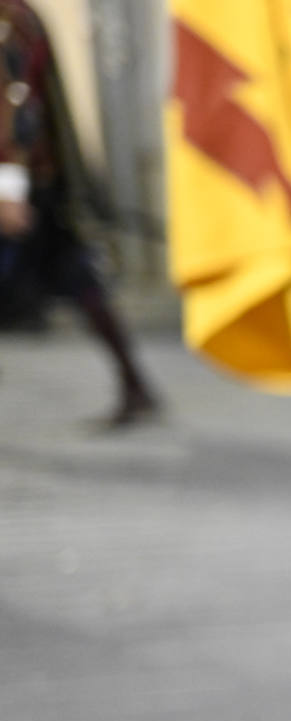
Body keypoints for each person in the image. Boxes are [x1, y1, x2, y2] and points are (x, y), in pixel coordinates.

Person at [0, 0, 159, 425]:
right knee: (76, 277)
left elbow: (18, 103)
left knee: (74, 275)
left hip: (26, 188)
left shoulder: (8, 19)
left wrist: (9, 186)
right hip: (38, 182)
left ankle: (135, 385)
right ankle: (135, 384)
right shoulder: (22, 14)